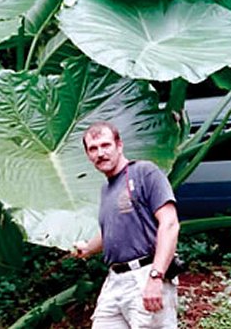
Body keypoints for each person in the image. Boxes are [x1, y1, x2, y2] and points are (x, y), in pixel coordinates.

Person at [73, 121, 180, 328]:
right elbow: (111, 233)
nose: (100, 153)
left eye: (106, 145)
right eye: (93, 149)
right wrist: (87, 248)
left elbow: (170, 224)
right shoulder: (107, 189)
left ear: (119, 145)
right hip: (115, 280)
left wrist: (156, 276)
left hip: (145, 274)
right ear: (87, 155)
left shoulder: (144, 173)